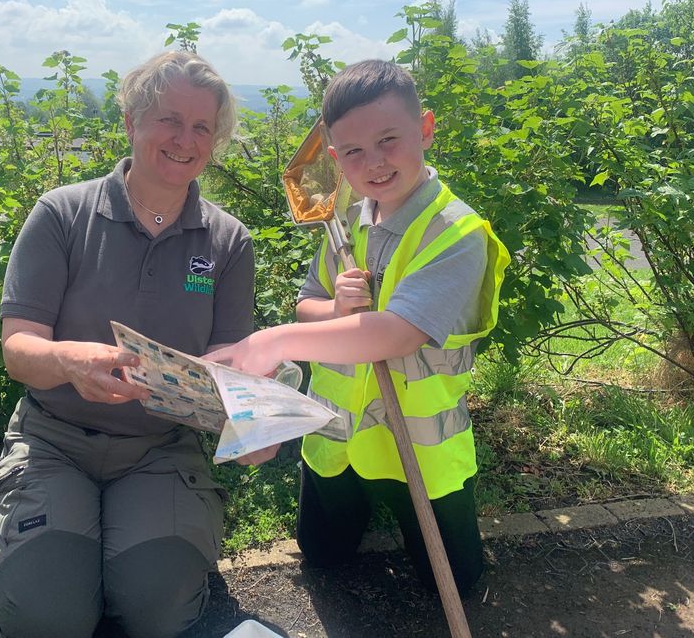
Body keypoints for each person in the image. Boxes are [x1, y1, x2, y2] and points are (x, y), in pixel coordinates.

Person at [0, 51, 273, 638]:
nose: (184, 139)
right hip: (54, 440)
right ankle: (2, 575)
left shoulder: (228, 242)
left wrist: (255, 426)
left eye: (202, 127)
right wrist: (66, 359)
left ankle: (120, 566)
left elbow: (230, 367)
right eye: (169, 119)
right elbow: (17, 349)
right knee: (46, 617)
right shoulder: (62, 214)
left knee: (156, 611)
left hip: (164, 450)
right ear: (132, 119)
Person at [205, 59, 510, 595]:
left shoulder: (458, 233)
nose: (374, 162)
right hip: (337, 433)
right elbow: (308, 307)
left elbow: (396, 333)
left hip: (418, 447)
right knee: (322, 557)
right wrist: (336, 311)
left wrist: (270, 339)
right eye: (353, 152)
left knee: (455, 584)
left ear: (426, 129)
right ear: (333, 158)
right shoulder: (342, 221)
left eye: (389, 140)